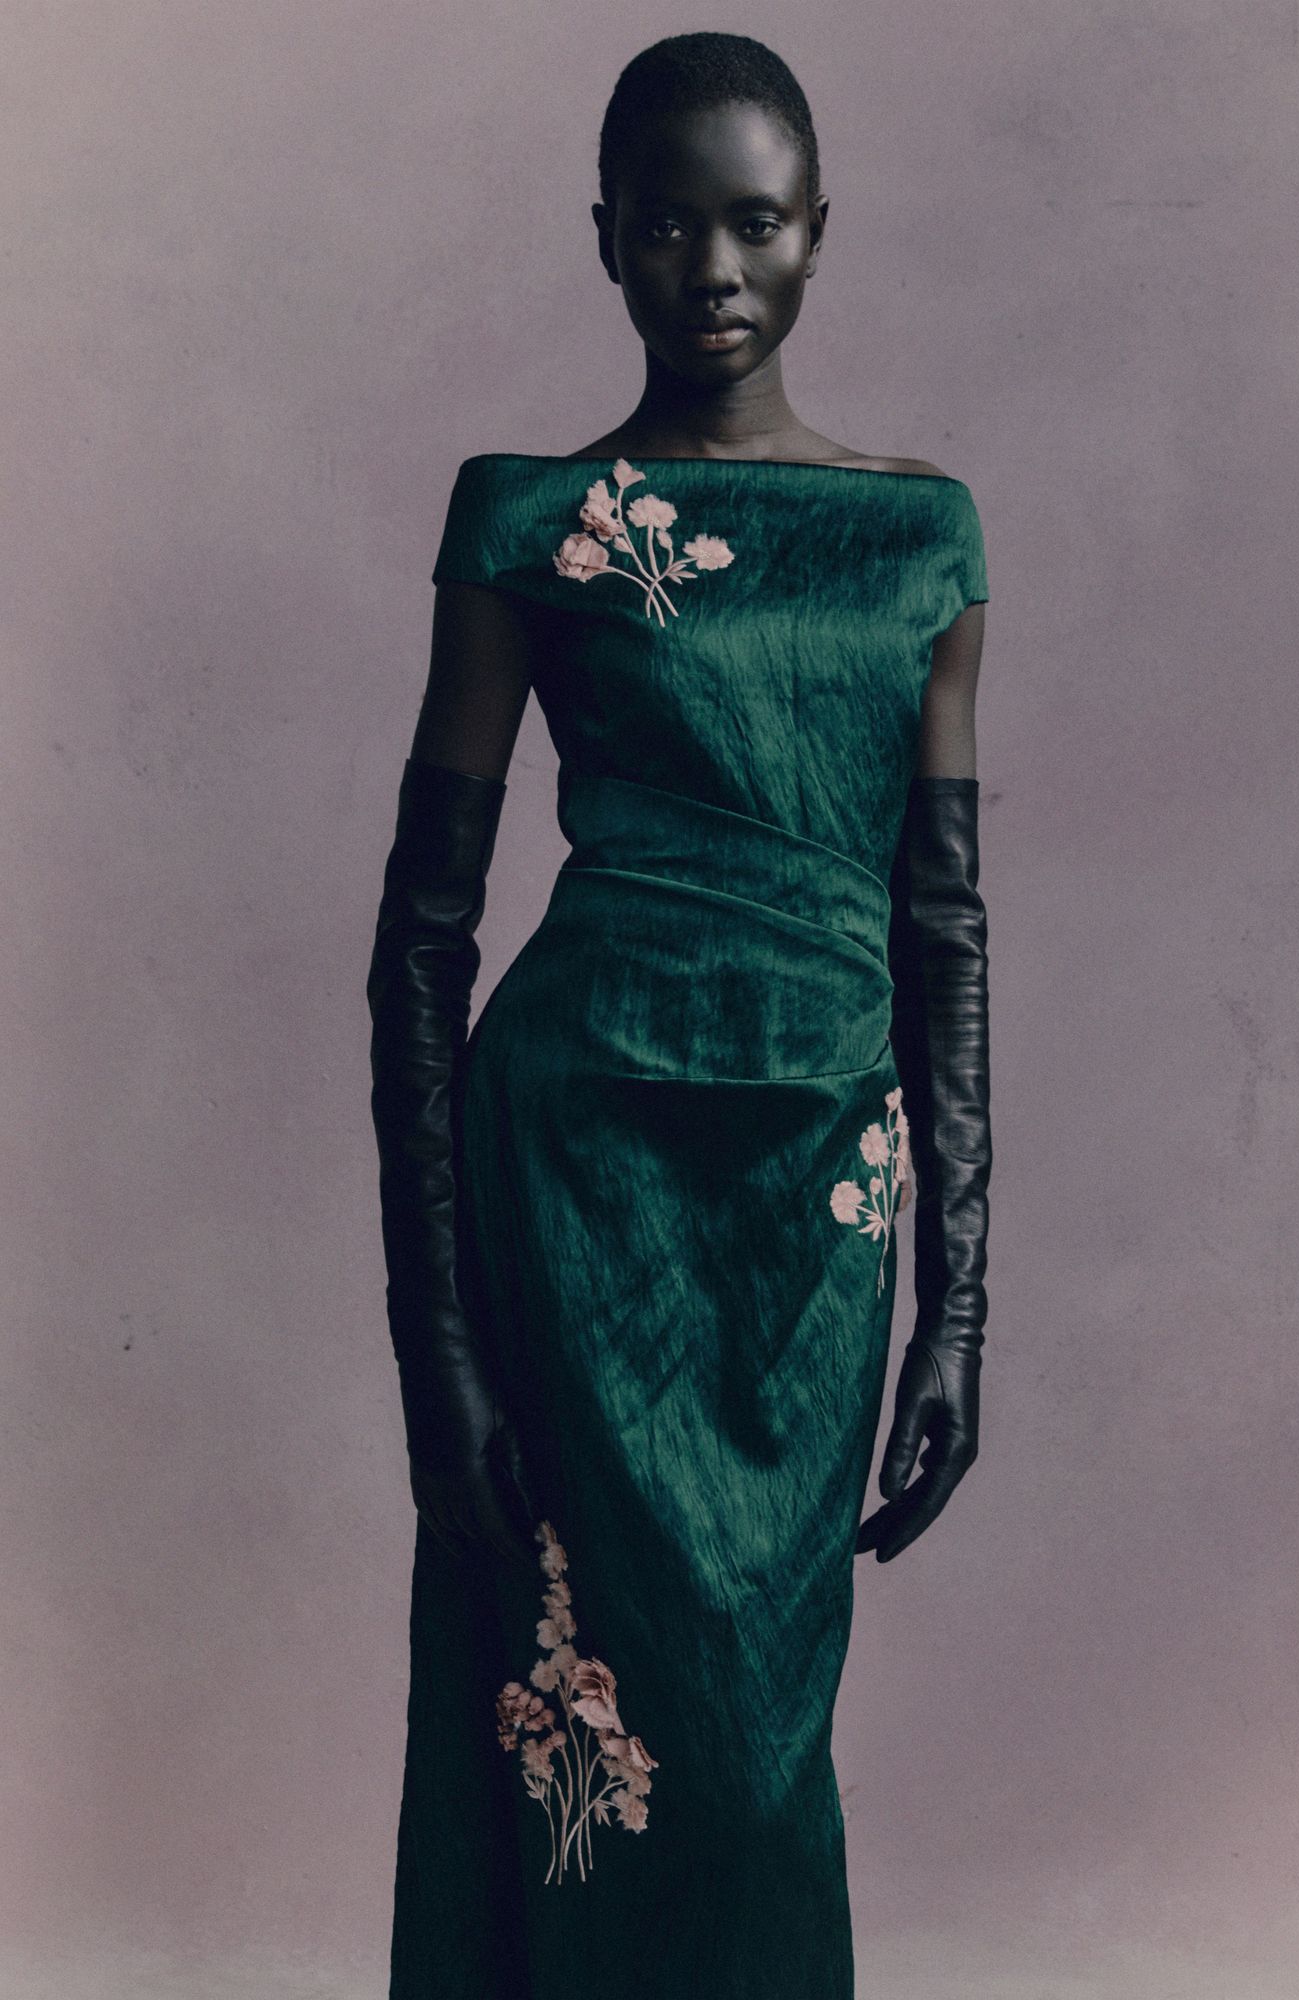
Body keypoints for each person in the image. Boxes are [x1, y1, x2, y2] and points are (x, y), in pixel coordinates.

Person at [366, 30, 991, 2000]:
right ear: (606, 240)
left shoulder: (921, 538)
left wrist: (962, 1301)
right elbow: (421, 938)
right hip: (575, 1187)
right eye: (664, 225)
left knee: (747, 1754)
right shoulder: (530, 519)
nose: (712, 266)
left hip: (812, 1207)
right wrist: (437, 1348)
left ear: (818, 232)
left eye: (754, 222)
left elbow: (945, 926)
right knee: (588, 1722)